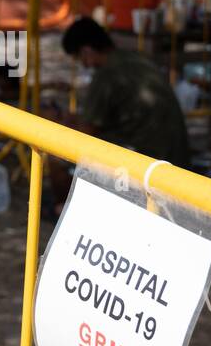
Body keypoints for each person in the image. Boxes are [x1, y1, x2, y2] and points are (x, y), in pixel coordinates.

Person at [44, 17, 192, 211]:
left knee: (55, 155)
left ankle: (63, 210)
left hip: (146, 156)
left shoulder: (106, 75)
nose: (84, 65)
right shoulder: (135, 58)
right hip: (176, 153)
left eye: (80, 59)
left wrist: (57, 124)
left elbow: (86, 133)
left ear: (86, 51)